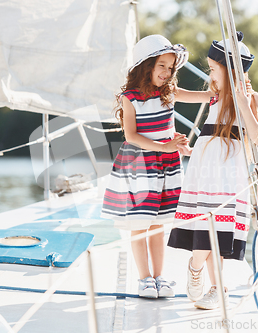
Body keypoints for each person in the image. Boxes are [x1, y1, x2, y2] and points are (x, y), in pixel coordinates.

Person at [101, 35, 213, 298]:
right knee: (140, 223)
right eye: (162, 65)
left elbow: (204, 96)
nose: (167, 72)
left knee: (158, 225)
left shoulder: (169, 93)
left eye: (171, 67)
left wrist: (225, 90)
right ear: (147, 65)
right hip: (140, 165)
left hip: (167, 166)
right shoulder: (131, 97)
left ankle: (160, 277)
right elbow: (131, 135)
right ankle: (144, 278)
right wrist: (163, 146)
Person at [167, 33, 258, 309]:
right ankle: (199, 272)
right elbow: (172, 94)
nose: (210, 75)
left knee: (218, 233)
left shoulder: (252, 99)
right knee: (204, 226)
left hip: (228, 174)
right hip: (205, 170)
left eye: (213, 69)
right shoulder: (213, 97)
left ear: (231, 71)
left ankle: (213, 284)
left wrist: (243, 102)